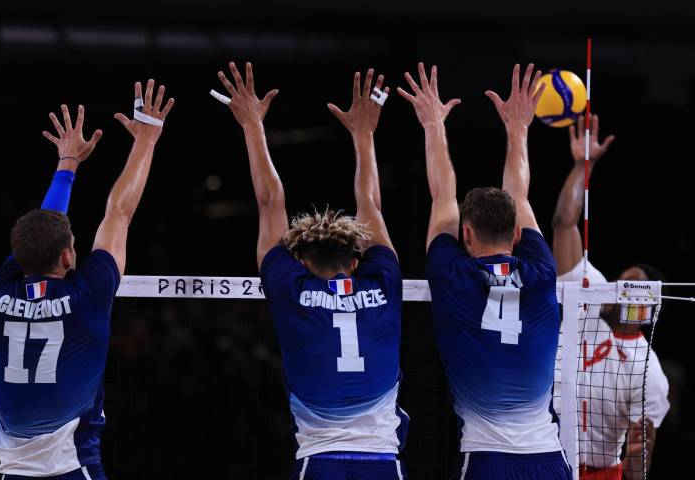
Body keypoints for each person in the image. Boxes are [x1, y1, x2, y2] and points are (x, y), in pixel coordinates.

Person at [214, 62, 408, 479]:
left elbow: (270, 203)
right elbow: (370, 206)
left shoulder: (291, 289)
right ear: (356, 262)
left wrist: (253, 126)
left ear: (301, 263)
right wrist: (364, 135)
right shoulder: (385, 282)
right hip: (383, 464)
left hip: (320, 463)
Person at [0, 80, 174, 479]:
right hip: (71, 467)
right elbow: (119, 212)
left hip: (12, 471)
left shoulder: (0, 290)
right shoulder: (88, 293)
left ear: (18, 258)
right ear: (70, 254)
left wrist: (67, 167)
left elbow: (39, 235)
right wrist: (146, 140)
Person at [401, 62, 571, 479]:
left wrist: (433, 124)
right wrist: (519, 129)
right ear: (517, 236)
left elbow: (443, 193)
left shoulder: (451, 275)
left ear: (466, 233)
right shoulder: (540, 271)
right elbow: (520, 194)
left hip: (486, 461)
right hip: (549, 460)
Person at [551, 115, 670, 480]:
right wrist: (582, 165)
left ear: (646, 310)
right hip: (543, 458)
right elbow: (564, 224)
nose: (618, 287)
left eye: (630, 286)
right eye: (620, 280)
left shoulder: (647, 372)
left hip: (599, 472)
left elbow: (638, 470)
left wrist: (639, 452)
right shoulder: (591, 297)